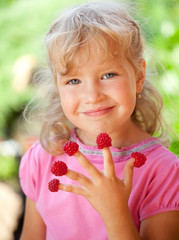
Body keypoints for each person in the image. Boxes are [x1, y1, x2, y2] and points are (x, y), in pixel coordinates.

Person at [19, 2, 179, 239]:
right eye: (74, 81)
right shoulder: (43, 158)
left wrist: (115, 212)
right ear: (57, 86)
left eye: (108, 75)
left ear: (139, 75)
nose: (92, 96)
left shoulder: (164, 172)